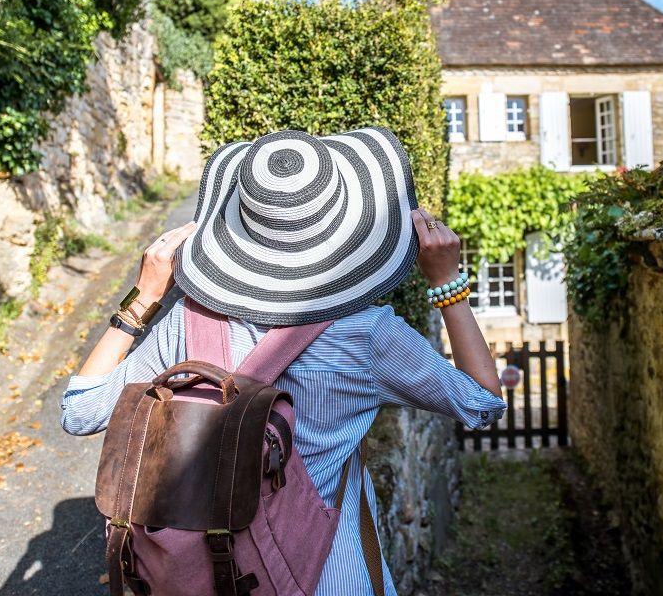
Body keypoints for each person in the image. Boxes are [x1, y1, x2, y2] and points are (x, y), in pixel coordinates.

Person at [61, 127, 506, 595]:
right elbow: (481, 402)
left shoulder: (186, 322)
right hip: (330, 574)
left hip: (209, 577)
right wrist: (447, 284)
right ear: (344, 225)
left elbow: (81, 411)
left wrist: (143, 298)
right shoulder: (368, 335)